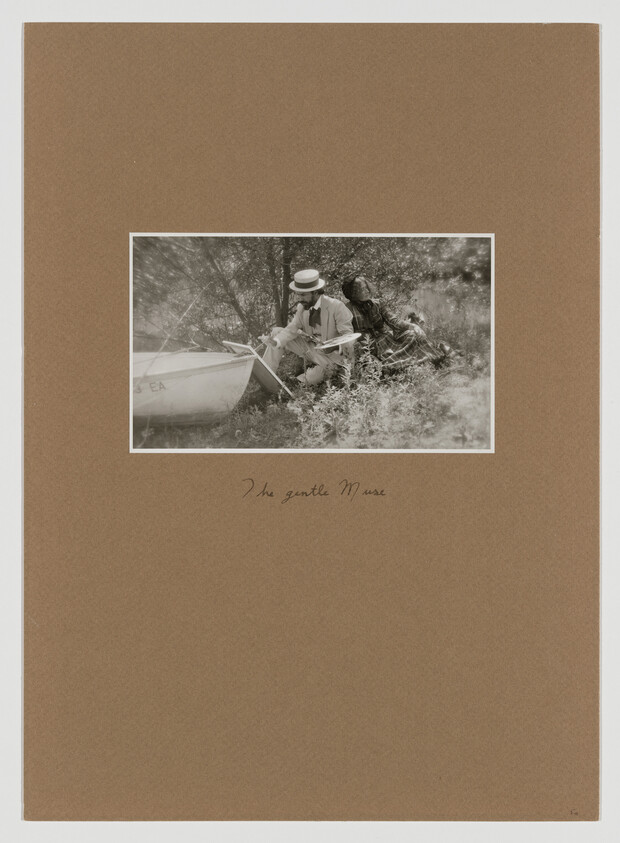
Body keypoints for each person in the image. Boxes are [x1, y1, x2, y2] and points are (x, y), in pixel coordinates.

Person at [262, 269, 354, 386]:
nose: (299, 299)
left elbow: (349, 337)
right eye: (297, 294)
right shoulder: (302, 307)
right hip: (311, 349)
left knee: (312, 378)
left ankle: (295, 383)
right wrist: (275, 342)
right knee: (276, 333)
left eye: (303, 295)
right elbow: (292, 328)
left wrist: (334, 347)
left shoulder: (337, 307)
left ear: (315, 292)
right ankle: (266, 378)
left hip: (332, 358)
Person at [341, 276, 451, 372]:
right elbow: (346, 333)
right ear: (352, 293)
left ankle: (416, 360)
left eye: (366, 287)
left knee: (411, 334)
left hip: (385, 339)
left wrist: (413, 326)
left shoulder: (378, 304)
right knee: (379, 356)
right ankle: (393, 366)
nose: (366, 291)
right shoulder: (347, 309)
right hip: (368, 345)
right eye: (361, 289)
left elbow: (394, 321)